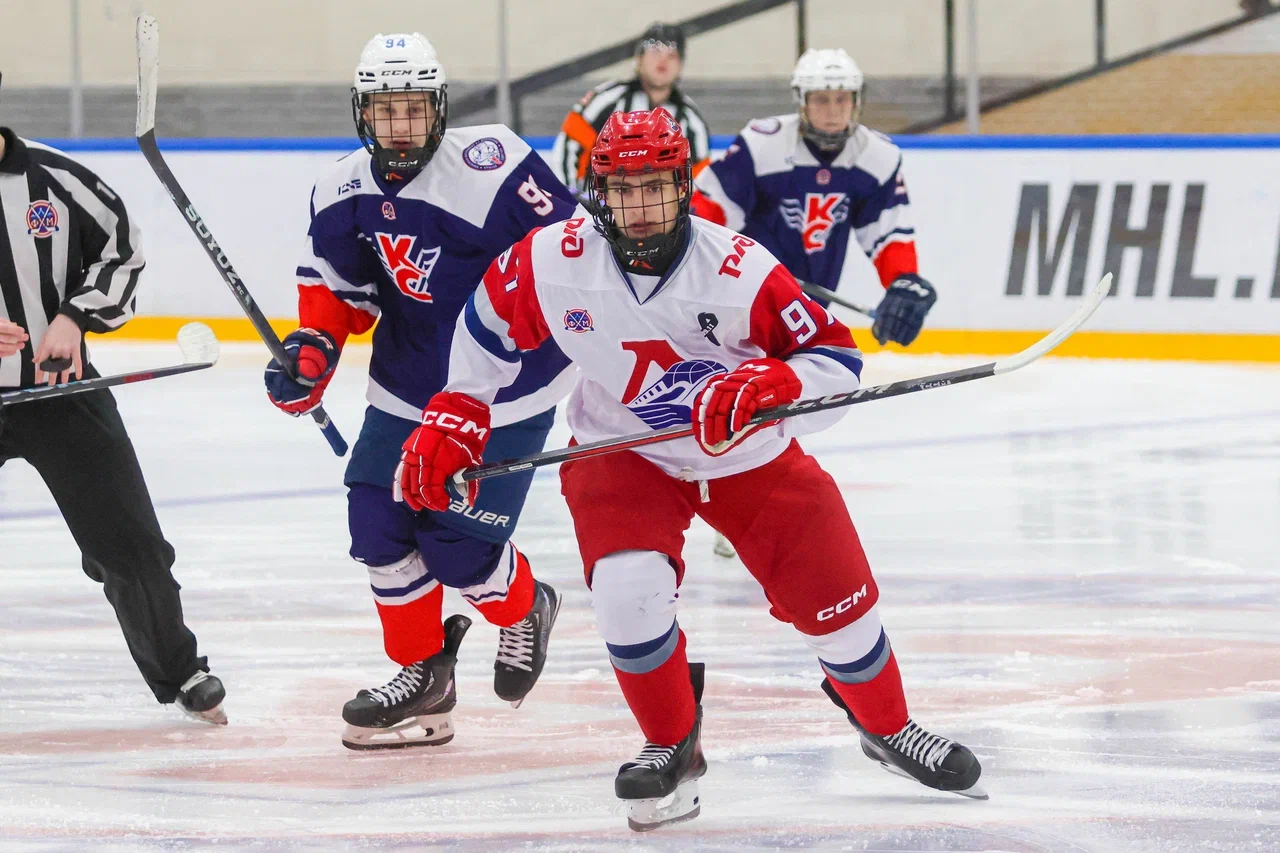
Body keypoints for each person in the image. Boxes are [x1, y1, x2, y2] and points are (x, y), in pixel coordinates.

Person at [397, 110, 985, 831]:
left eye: (656, 188)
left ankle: (887, 725)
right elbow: (489, 322)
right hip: (623, 451)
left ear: (683, 187)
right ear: (597, 192)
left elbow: (835, 360)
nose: (640, 208)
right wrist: (458, 407)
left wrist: (775, 385)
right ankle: (671, 740)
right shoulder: (552, 257)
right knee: (626, 590)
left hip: (748, 458)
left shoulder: (740, 269)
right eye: (622, 190)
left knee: (843, 612)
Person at [263, 33, 577, 750]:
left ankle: (527, 607)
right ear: (360, 112)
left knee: (455, 551)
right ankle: (423, 679)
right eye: (383, 110)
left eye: (412, 108)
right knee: (376, 529)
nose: (399, 125)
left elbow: (573, 253)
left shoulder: (494, 168)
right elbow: (340, 293)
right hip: (406, 385)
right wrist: (311, 352)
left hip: (507, 386)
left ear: (438, 107)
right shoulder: (341, 191)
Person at [0, 123, 225, 725]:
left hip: (61, 389)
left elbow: (121, 252)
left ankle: (182, 671)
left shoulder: (56, 178)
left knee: (130, 546)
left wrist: (76, 316)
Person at [692, 48, 937, 349]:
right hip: (744, 300)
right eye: (821, 99)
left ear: (856, 101)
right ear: (802, 101)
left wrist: (903, 283)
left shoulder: (876, 157)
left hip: (810, 312)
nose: (833, 111)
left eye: (842, 98)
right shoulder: (762, 145)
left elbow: (887, 234)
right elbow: (706, 213)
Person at [550, 22, 710, 194]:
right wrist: (571, 200)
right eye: (655, 51)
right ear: (639, 59)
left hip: (664, 217)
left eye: (672, 55)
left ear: (680, 66)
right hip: (595, 212)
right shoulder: (606, 99)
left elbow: (701, 184)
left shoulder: (692, 120)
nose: (663, 60)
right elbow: (568, 147)